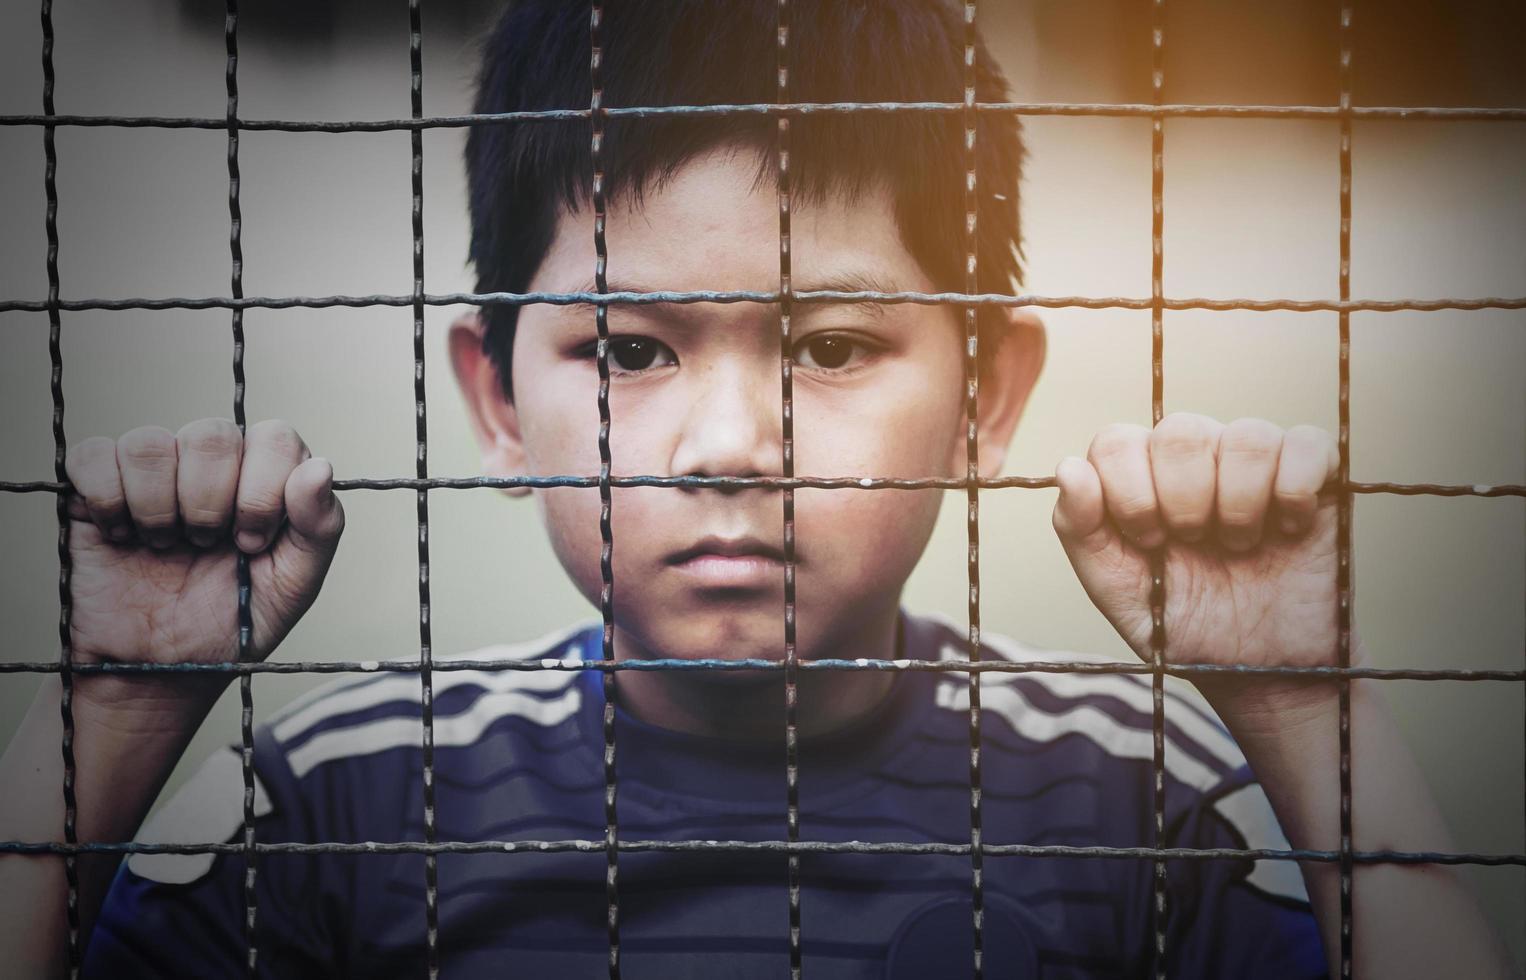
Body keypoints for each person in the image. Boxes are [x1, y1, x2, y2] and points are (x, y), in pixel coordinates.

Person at [0, 0, 1512, 977]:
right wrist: (116, 707)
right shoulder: (339, 801)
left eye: (837, 345)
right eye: (631, 349)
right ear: (494, 398)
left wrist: (1305, 706)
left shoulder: (1138, 803)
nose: (730, 444)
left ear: (986, 395)